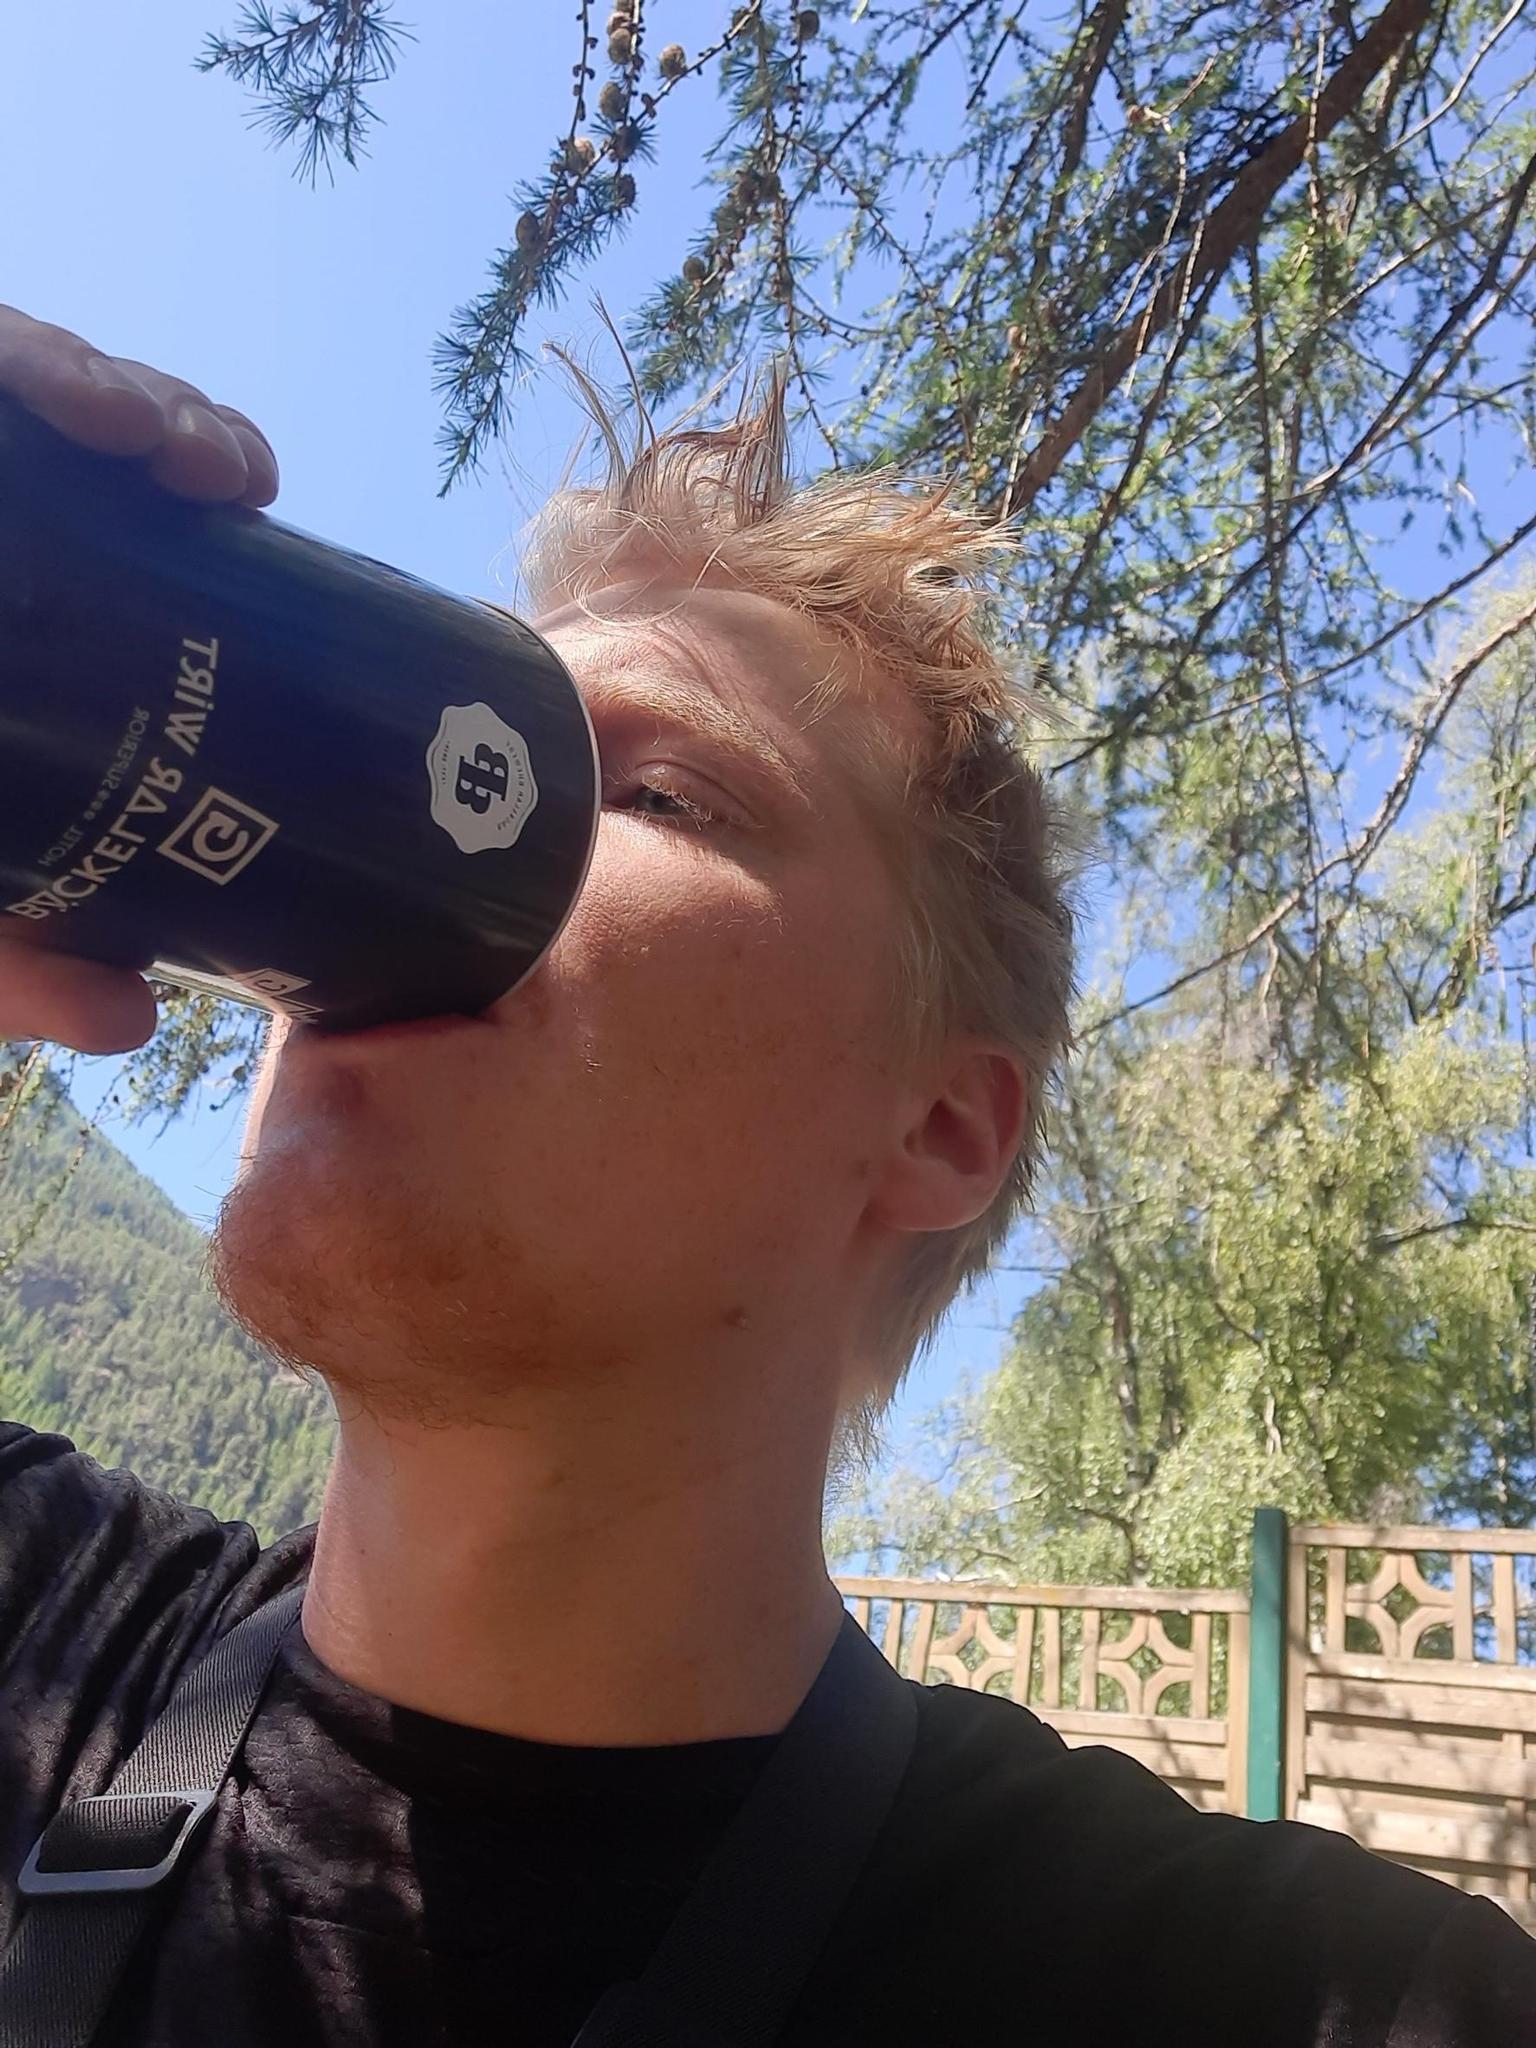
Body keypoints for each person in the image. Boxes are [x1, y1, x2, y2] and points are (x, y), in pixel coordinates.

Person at [0, 302, 1532, 2048]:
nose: (414, 822)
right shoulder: (37, 1615)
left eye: (657, 793)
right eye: (439, 726)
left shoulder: (1261, 1991)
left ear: (939, 1126)